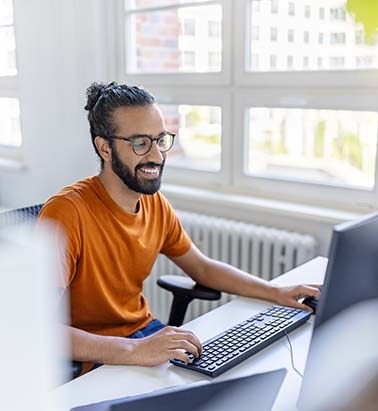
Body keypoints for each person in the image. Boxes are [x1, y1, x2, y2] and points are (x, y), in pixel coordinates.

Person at [38, 82, 320, 372]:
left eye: (160, 139)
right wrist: (134, 349)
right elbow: (36, 326)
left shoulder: (155, 204)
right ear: (105, 148)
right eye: (140, 143)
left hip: (142, 335)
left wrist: (276, 292)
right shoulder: (66, 213)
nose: (157, 155)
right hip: (92, 355)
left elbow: (202, 268)